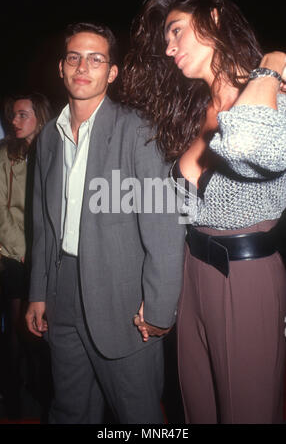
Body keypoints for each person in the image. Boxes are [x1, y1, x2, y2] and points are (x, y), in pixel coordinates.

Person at [120, 0, 286, 424]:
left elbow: (250, 143)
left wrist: (272, 65)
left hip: (245, 276)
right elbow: (170, 212)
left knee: (247, 412)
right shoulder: (194, 110)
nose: (170, 48)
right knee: (197, 409)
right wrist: (158, 294)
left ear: (213, 18)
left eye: (176, 31)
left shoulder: (277, 97)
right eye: (166, 42)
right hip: (192, 274)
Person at [25, 22, 185, 424]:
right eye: (74, 58)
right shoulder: (48, 138)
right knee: (69, 411)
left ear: (111, 72)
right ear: (61, 67)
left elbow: (164, 229)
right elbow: (44, 225)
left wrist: (160, 309)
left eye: (96, 59)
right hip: (62, 298)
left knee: (139, 418)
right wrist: (38, 292)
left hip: (125, 303)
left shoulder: (138, 130)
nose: (83, 67)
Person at [0, 93, 52, 418]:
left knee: (45, 330)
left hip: (47, 256)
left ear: (39, 116)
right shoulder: (6, 154)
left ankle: (43, 392)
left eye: (22, 115)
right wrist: (15, 250)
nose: (14, 122)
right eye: (13, 116)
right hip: (15, 256)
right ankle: (14, 396)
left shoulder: (54, 151)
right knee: (20, 329)